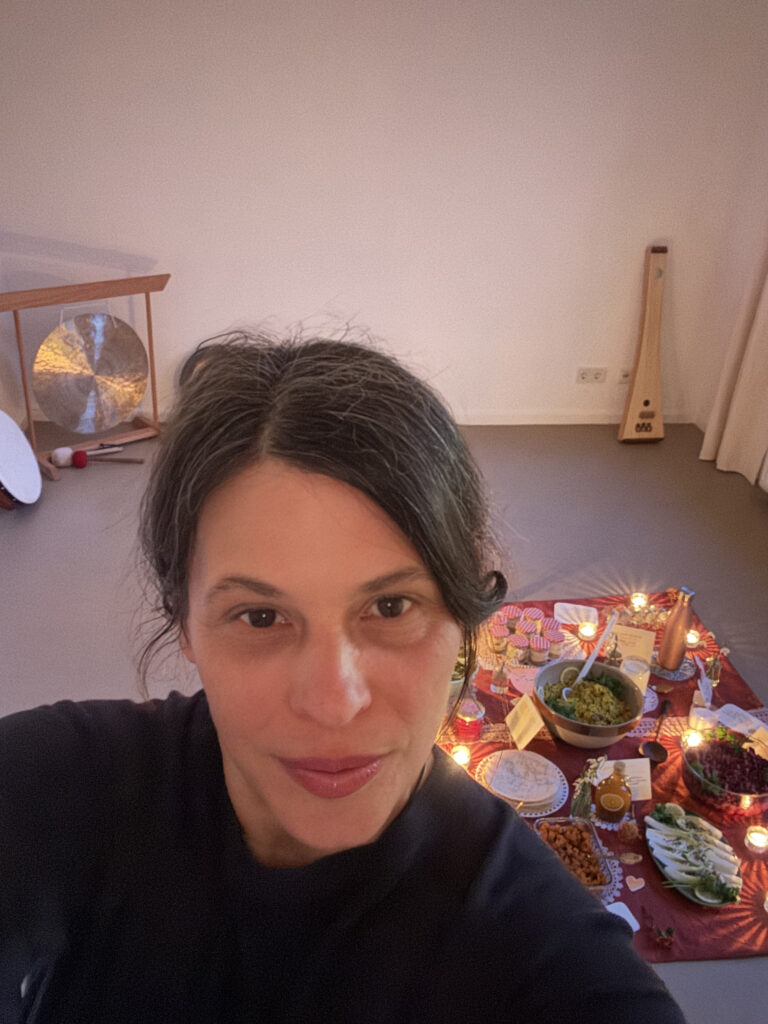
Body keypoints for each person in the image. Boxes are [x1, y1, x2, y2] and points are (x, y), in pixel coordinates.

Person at [0, 331, 686, 1022]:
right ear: (184, 623)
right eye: (261, 617)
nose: (333, 704)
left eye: (391, 607)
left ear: (462, 613)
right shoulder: (59, 785)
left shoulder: (543, 955)